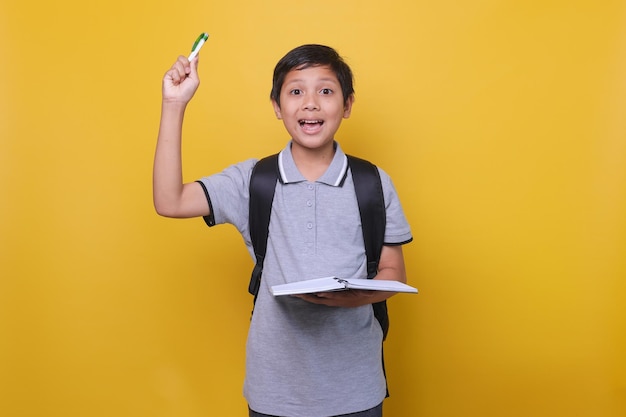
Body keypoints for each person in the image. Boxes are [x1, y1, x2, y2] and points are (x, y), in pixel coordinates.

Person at [153, 43, 413, 417]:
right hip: (274, 393)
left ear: (348, 104)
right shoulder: (252, 181)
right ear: (277, 106)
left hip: (356, 390)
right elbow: (169, 200)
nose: (310, 103)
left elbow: (394, 272)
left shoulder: (372, 182)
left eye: (326, 90)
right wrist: (174, 104)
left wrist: (350, 297)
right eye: (295, 91)